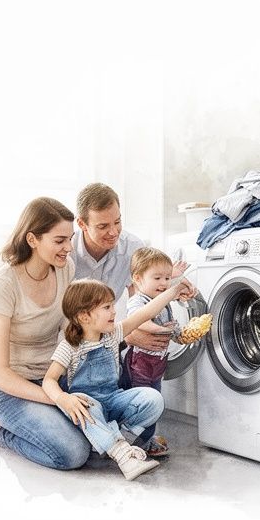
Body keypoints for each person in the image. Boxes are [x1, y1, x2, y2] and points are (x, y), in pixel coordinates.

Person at [0, 197, 93, 470]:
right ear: (32, 239)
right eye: (59, 240)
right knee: (74, 453)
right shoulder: (3, 285)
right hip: (11, 389)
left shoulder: (65, 269)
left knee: (101, 440)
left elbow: (70, 331)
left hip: (51, 379)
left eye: (70, 239)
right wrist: (58, 398)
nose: (69, 248)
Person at [40, 278, 191, 480]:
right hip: (88, 408)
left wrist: (175, 290)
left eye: (112, 306)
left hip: (113, 400)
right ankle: (122, 454)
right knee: (87, 405)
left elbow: (146, 312)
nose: (113, 311)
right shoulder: (69, 346)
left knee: (154, 399)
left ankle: (116, 439)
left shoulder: (113, 334)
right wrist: (63, 399)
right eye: (107, 307)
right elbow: (49, 380)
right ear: (84, 316)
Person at [71, 182, 192, 354]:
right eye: (103, 226)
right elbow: (64, 318)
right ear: (82, 224)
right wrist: (125, 335)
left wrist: (176, 284)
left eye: (117, 222)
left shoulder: (132, 247)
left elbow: (140, 296)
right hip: (71, 339)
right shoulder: (67, 252)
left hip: (109, 338)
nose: (113, 232)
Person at [118, 247, 186, 457]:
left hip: (157, 365)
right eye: (157, 278)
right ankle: (133, 441)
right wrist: (162, 330)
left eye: (167, 278)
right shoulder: (138, 300)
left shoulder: (164, 303)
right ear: (138, 279)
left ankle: (145, 440)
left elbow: (171, 324)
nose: (164, 283)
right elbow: (139, 321)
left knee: (155, 402)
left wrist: (181, 334)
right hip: (139, 364)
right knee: (142, 403)